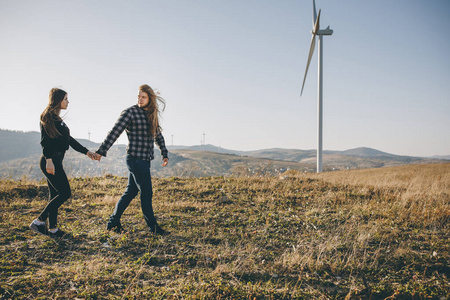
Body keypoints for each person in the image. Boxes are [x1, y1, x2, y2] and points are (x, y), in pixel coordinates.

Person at [96, 84, 169, 235]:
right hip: (135, 159)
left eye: (143, 97)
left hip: (145, 160)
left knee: (131, 191)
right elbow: (115, 131)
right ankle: (153, 228)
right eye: (138, 97)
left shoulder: (151, 115)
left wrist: (164, 152)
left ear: (149, 98)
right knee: (147, 193)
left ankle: (113, 222)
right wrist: (102, 150)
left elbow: (158, 135)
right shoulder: (130, 112)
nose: (140, 100)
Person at [30, 88, 98, 239]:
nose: (68, 102)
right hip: (50, 161)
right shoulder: (47, 116)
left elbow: (69, 140)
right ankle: (39, 221)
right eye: (66, 99)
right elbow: (45, 140)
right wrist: (49, 160)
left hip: (56, 160)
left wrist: (87, 152)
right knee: (65, 193)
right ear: (58, 99)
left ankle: (53, 230)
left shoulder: (58, 120)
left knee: (55, 194)